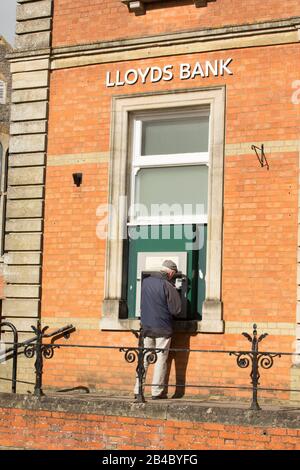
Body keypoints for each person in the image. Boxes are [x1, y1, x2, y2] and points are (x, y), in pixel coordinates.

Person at [134, 259, 182, 400]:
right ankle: (157, 392)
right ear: (171, 272)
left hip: (146, 327)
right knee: (161, 358)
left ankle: (138, 390)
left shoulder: (146, 282)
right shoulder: (168, 285)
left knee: (145, 359)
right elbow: (176, 309)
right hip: (162, 329)